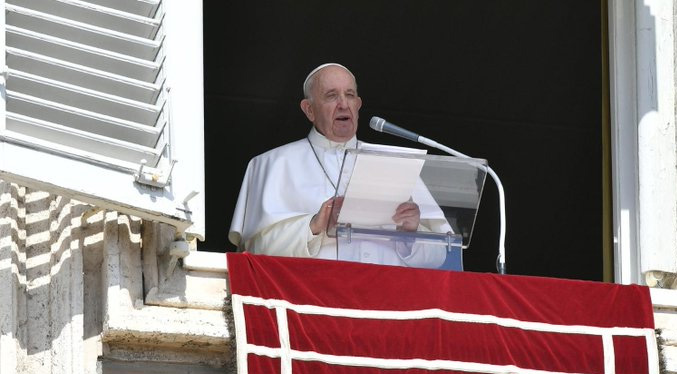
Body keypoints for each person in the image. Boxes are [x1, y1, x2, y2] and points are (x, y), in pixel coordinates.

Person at [228, 63, 447, 268]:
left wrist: (410, 233)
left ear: (358, 105)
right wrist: (314, 226)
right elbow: (254, 252)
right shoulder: (273, 163)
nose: (343, 104)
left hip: (386, 298)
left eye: (349, 95)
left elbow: (441, 255)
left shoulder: (396, 163)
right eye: (331, 96)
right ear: (309, 110)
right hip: (314, 297)